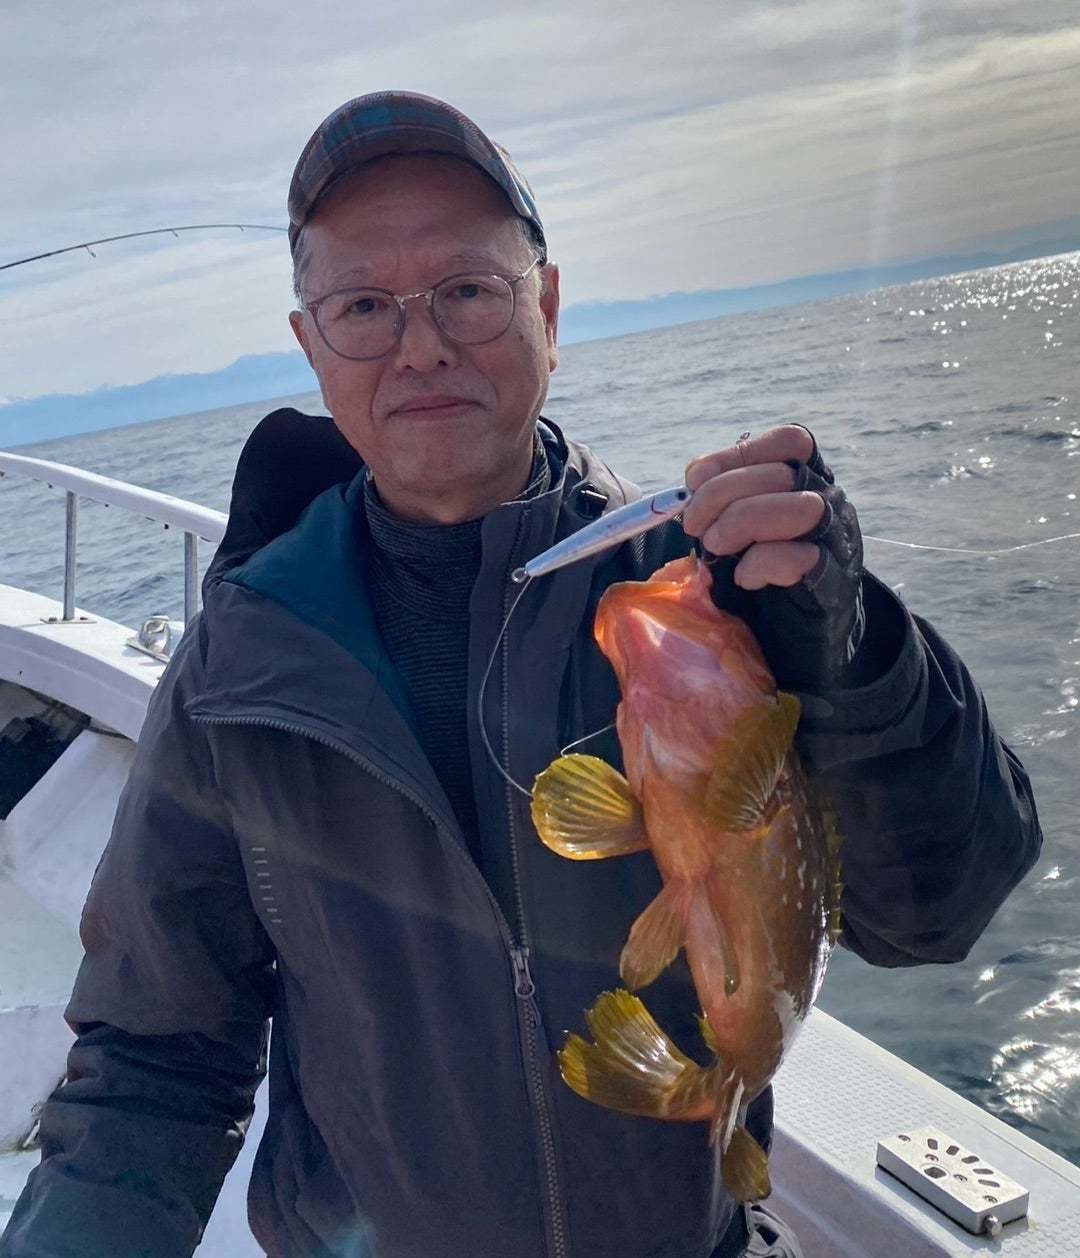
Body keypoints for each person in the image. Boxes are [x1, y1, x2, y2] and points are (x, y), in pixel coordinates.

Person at [0, 91, 1041, 1258]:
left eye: (467, 289)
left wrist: (854, 652)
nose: (422, 345)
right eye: (363, 306)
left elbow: (939, 911)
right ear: (311, 346)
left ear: (545, 306)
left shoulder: (700, 597)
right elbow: (155, 1062)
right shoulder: (237, 668)